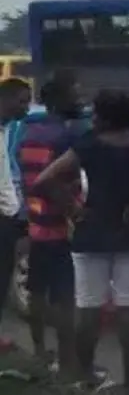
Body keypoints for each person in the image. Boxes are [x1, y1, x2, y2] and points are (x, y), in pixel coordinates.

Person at [33, 90, 129, 393]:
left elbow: (43, 181)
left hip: (92, 233)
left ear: (102, 116)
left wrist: (73, 208)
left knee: (89, 307)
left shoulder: (88, 145)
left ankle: (85, 376)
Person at [17, 76, 86, 374]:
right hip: (59, 225)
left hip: (35, 223)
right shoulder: (65, 137)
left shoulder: (28, 132)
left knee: (36, 292)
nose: (80, 100)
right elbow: (55, 183)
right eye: (75, 94)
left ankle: (40, 352)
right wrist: (73, 212)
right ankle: (68, 361)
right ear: (59, 100)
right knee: (63, 297)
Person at [0, 78, 31, 350]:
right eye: (22, 101)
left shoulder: (8, 129)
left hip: (8, 216)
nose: (26, 107)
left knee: (3, 277)